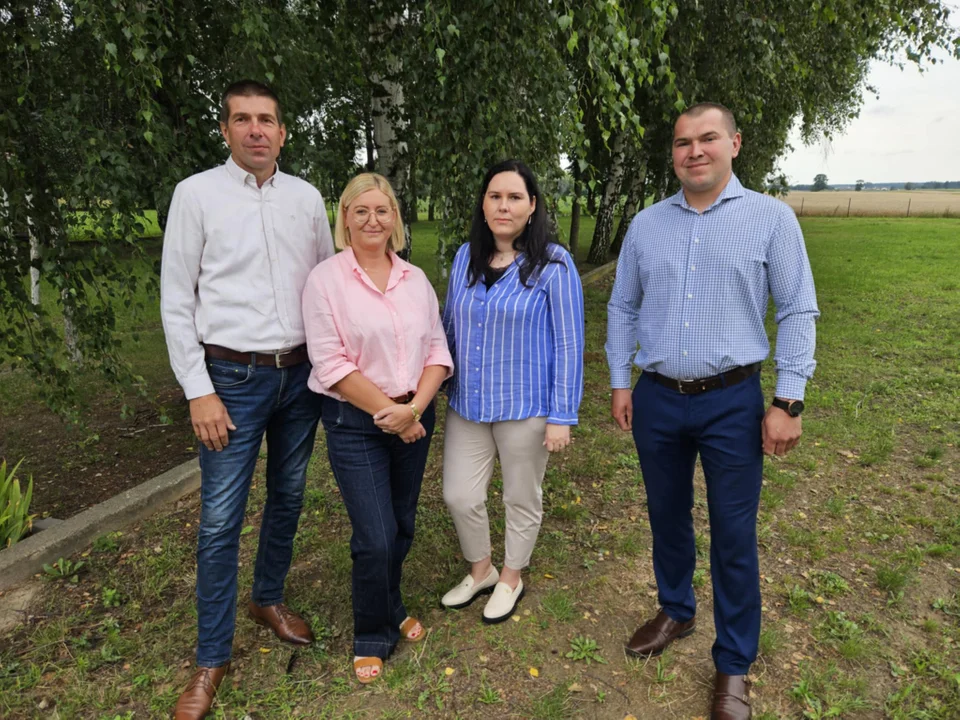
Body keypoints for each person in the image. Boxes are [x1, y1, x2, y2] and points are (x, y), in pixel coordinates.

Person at [606, 102, 819, 720]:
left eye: (707, 139)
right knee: (666, 513)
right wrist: (620, 382)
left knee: (733, 532)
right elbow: (622, 306)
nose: (694, 151)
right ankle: (676, 609)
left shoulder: (771, 219)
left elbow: (797, 308)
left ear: (735, 144)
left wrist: (788, 399)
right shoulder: (647, 225)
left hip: (732, 401)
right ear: (673, 154)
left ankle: (733, 662)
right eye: (682, 142)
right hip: (657, 397)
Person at [160, 80, 334, 720]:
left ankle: (267, 597)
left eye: (266, 120)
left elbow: (328, 285)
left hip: (299, 376)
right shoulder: (196, 195)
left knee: (289, 494)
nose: (255, 130)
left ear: (283, 133)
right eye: (242, 119)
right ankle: (212, 658)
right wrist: (198, 390)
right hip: (229, 380)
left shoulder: (306, 198)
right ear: (226, 129)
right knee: (219, 520)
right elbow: (176, 299)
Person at [301, 173, 453, 684]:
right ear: (344, 217)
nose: (372, 220)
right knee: (375, 535)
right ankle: (371, 633)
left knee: (402, 523)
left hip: (416, 414)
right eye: (361, 210)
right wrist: (392, 412)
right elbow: (331, 363)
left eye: (382, 210)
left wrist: (415, 410)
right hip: (355, 422)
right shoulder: (325, 280)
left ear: (395, 219)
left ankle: (392, 604)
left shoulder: (415, 279)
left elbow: (437, 349)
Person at [440, 159, 585, 624]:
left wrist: (562, 414)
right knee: (459, 495)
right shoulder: (465, 257)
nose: (504, 206)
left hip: (525, 406)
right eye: (495, 196)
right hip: (468, 402)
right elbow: (449, 324)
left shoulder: (554, 265)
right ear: (483, 205)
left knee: (521, 497)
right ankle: (480, 569)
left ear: (532, 205)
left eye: (515, 197)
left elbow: (569, 343)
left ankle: (510, 577)